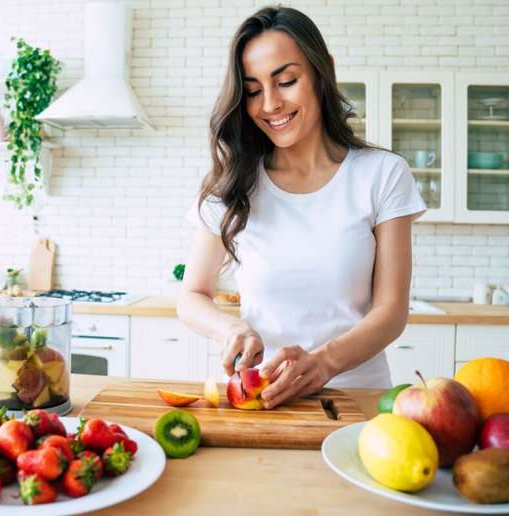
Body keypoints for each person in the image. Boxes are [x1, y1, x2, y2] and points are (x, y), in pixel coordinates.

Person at [177, 6, 426, 409]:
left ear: (323, 71)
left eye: (286, 81)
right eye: (254, 90)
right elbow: (191, 296)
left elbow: (391, 310)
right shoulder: (234, 183)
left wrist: (324, 363)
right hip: (263, 400)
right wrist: (230, 328)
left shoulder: (382, 175)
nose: (271, 104)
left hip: (357, 400)